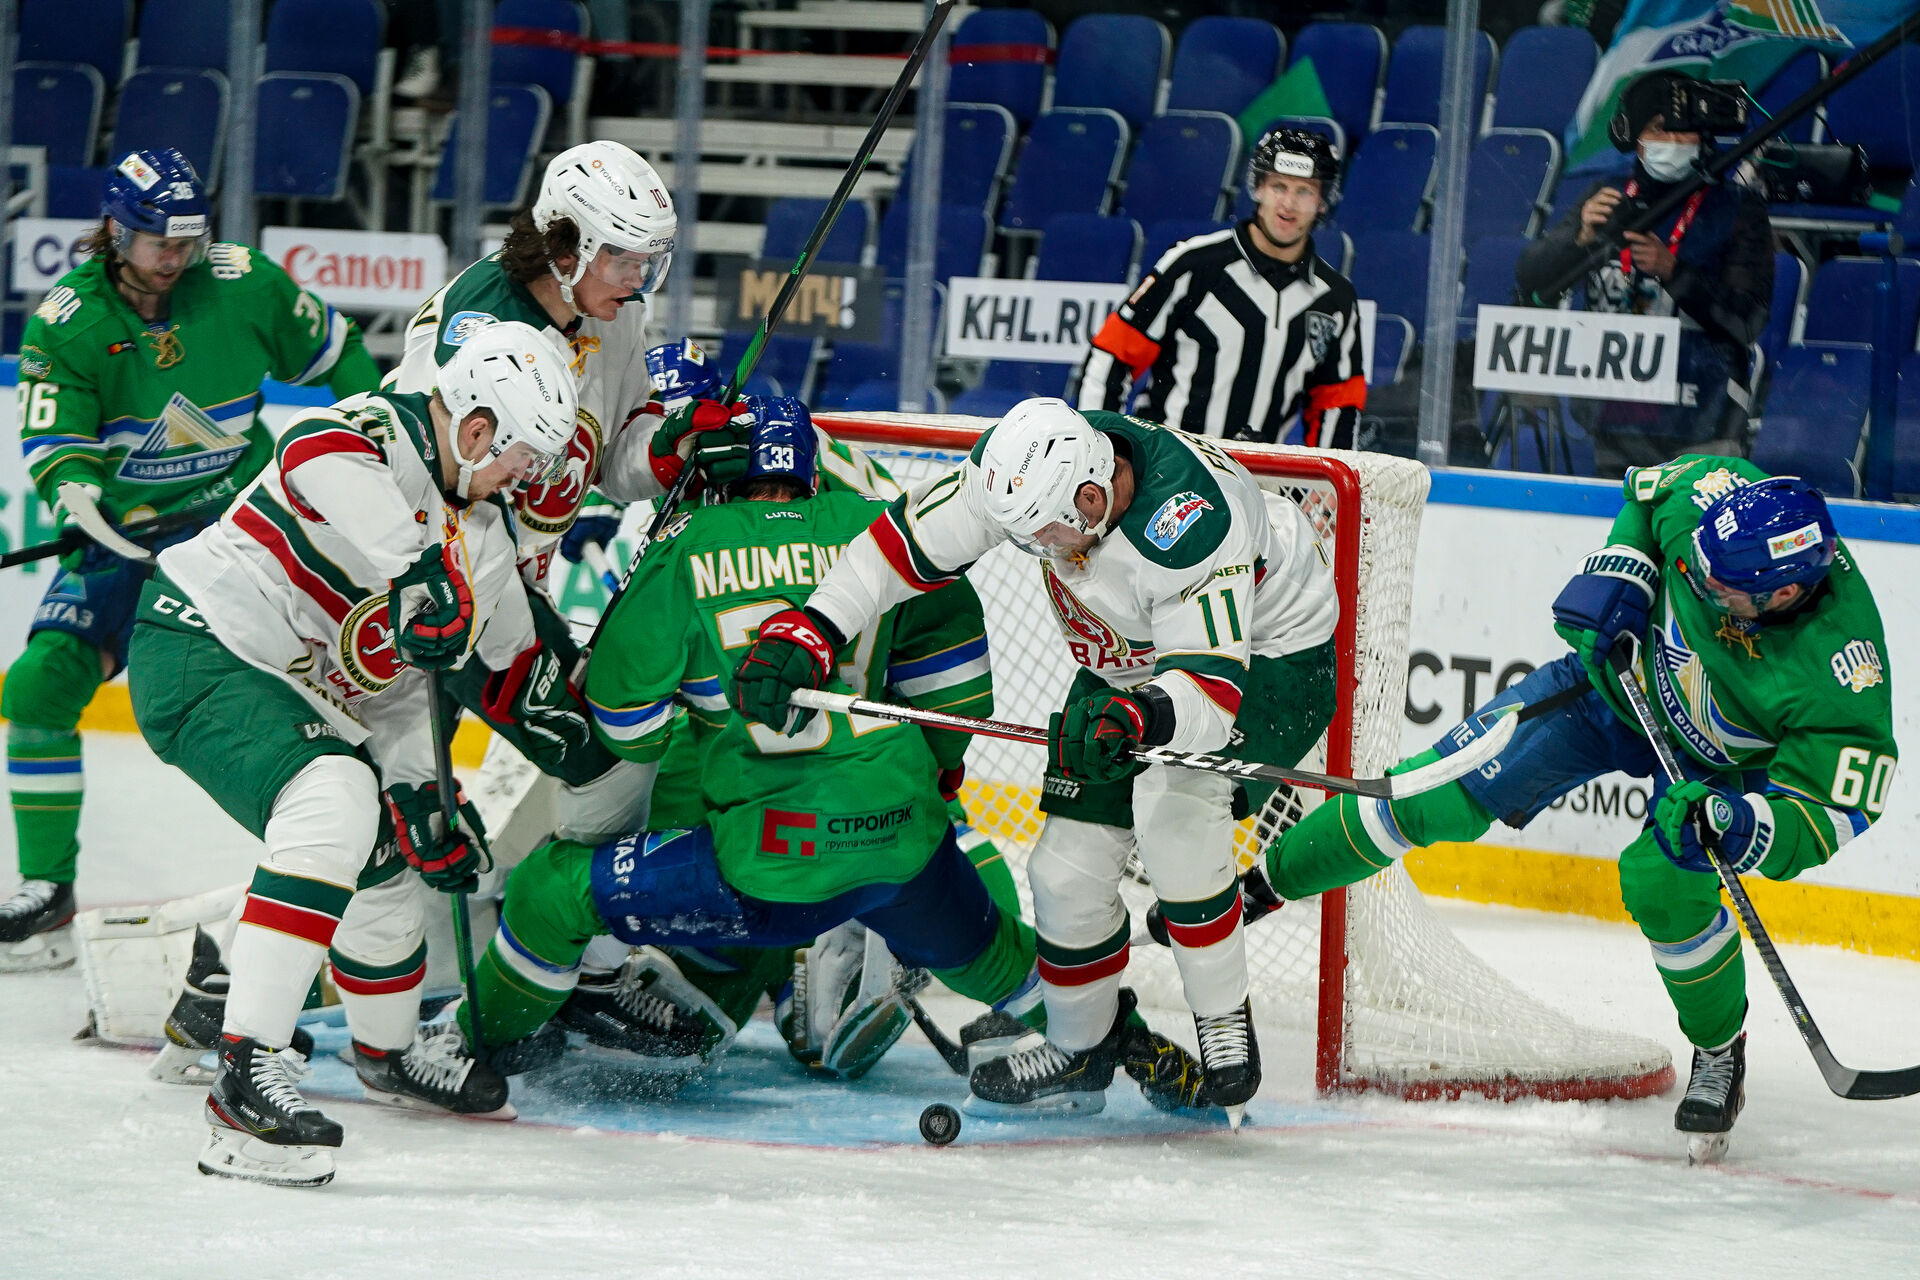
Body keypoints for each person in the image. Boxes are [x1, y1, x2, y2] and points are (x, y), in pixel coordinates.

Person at [458, 401, 1209, 1105]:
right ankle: (1133, 1050)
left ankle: (472, 1046)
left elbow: (628, 731)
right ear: (815, 469)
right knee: (1002, 957)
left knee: (549, 891)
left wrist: (688, 693)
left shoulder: (685, 546)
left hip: (765, 870)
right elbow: (954, 699)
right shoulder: (880, 529)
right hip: (904, 848)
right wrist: (939, 775)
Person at [1252, 458, 1892, 1162]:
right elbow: (1644, 500)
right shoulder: (1714, 499)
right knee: (1433, 791)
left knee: (1662, 882)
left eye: (1724, 591)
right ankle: (1262, 883)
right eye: (1696, 570)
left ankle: (1720, 1052)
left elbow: (1828, 813)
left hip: (1719, 771)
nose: (1703, 588)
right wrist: (1621, 569)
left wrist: (1739, 823)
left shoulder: (1844, 674)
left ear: (1787, 594)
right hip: (1612, 688)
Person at [729, 397, 1339, 1120]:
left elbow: (1207, 696)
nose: (1040, 548)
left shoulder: (1186, 523)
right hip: (1132, 665)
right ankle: (1081, 1048)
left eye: (1049, 533)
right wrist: (812, 628)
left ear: (1091, 497)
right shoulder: (1024, 472)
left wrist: (1140, 715)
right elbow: (896, 548)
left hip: (1268, 662)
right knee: (1064, 870)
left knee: (1176, 814)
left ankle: (1223, 1018)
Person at [125, 321, 581, 1187]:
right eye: (527, 455)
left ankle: (381, 1052)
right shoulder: (380, 434)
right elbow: (309, 447)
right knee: (333, 794)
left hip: (292, 690)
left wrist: (418, 793)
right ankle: (240, 1090)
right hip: (200, 641)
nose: (536, 477)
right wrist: (414, 567)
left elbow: (411, 681)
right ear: (477, 429)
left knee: (383, 855)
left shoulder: (481, 541)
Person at [1, 148, 379, 971]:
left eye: (187, 240)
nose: (175, 258)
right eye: (156, 242)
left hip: (253, 522)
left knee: (351, 684)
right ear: (114, 230)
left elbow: (337, 354)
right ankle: (48, 891)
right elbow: (56, 434)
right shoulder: (71, 320)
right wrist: (76, 493)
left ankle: (368, 885)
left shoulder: (243, 280)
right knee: (38, 683)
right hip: (130, 534)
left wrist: (370, 443)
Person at [1516, 70, 1773, 474]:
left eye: (1684, 129)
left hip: (1704, 425)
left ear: (1703, 137)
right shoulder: (1605, 197)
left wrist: (1673, 271)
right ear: (1636, 140)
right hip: (1613, 422)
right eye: (1658, 128)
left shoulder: (1737, 208)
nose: (1672, 140)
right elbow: (1531, 281)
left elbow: (1747, 320)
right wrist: (1578, 237)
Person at [1075, 127, 1367, 448]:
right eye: (1278, 186)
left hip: (1264, 484)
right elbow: (1112, 355)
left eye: (1304, 192)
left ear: (1323, 201)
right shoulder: (1193, 264)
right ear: (1258, 188)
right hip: (1170, 470)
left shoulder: (1335, 300)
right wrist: (1104, 449)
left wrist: (1325, 487)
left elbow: (1336, 405)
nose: (1288, 204)